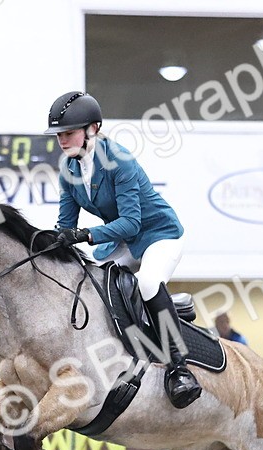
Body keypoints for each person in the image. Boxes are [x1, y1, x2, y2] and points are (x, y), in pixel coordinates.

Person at [47, 90, 201, 409]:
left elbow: (131, 223)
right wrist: (51, 241)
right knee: (89, 281)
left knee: (147, 283)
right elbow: (65, 224)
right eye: (59, 134)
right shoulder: (68, 170)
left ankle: (179, 369)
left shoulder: (119, 160)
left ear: (93, 129)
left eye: (68, 133)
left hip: (159, 234)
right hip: (121, 242)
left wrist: (86, 234)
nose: (62, 140)